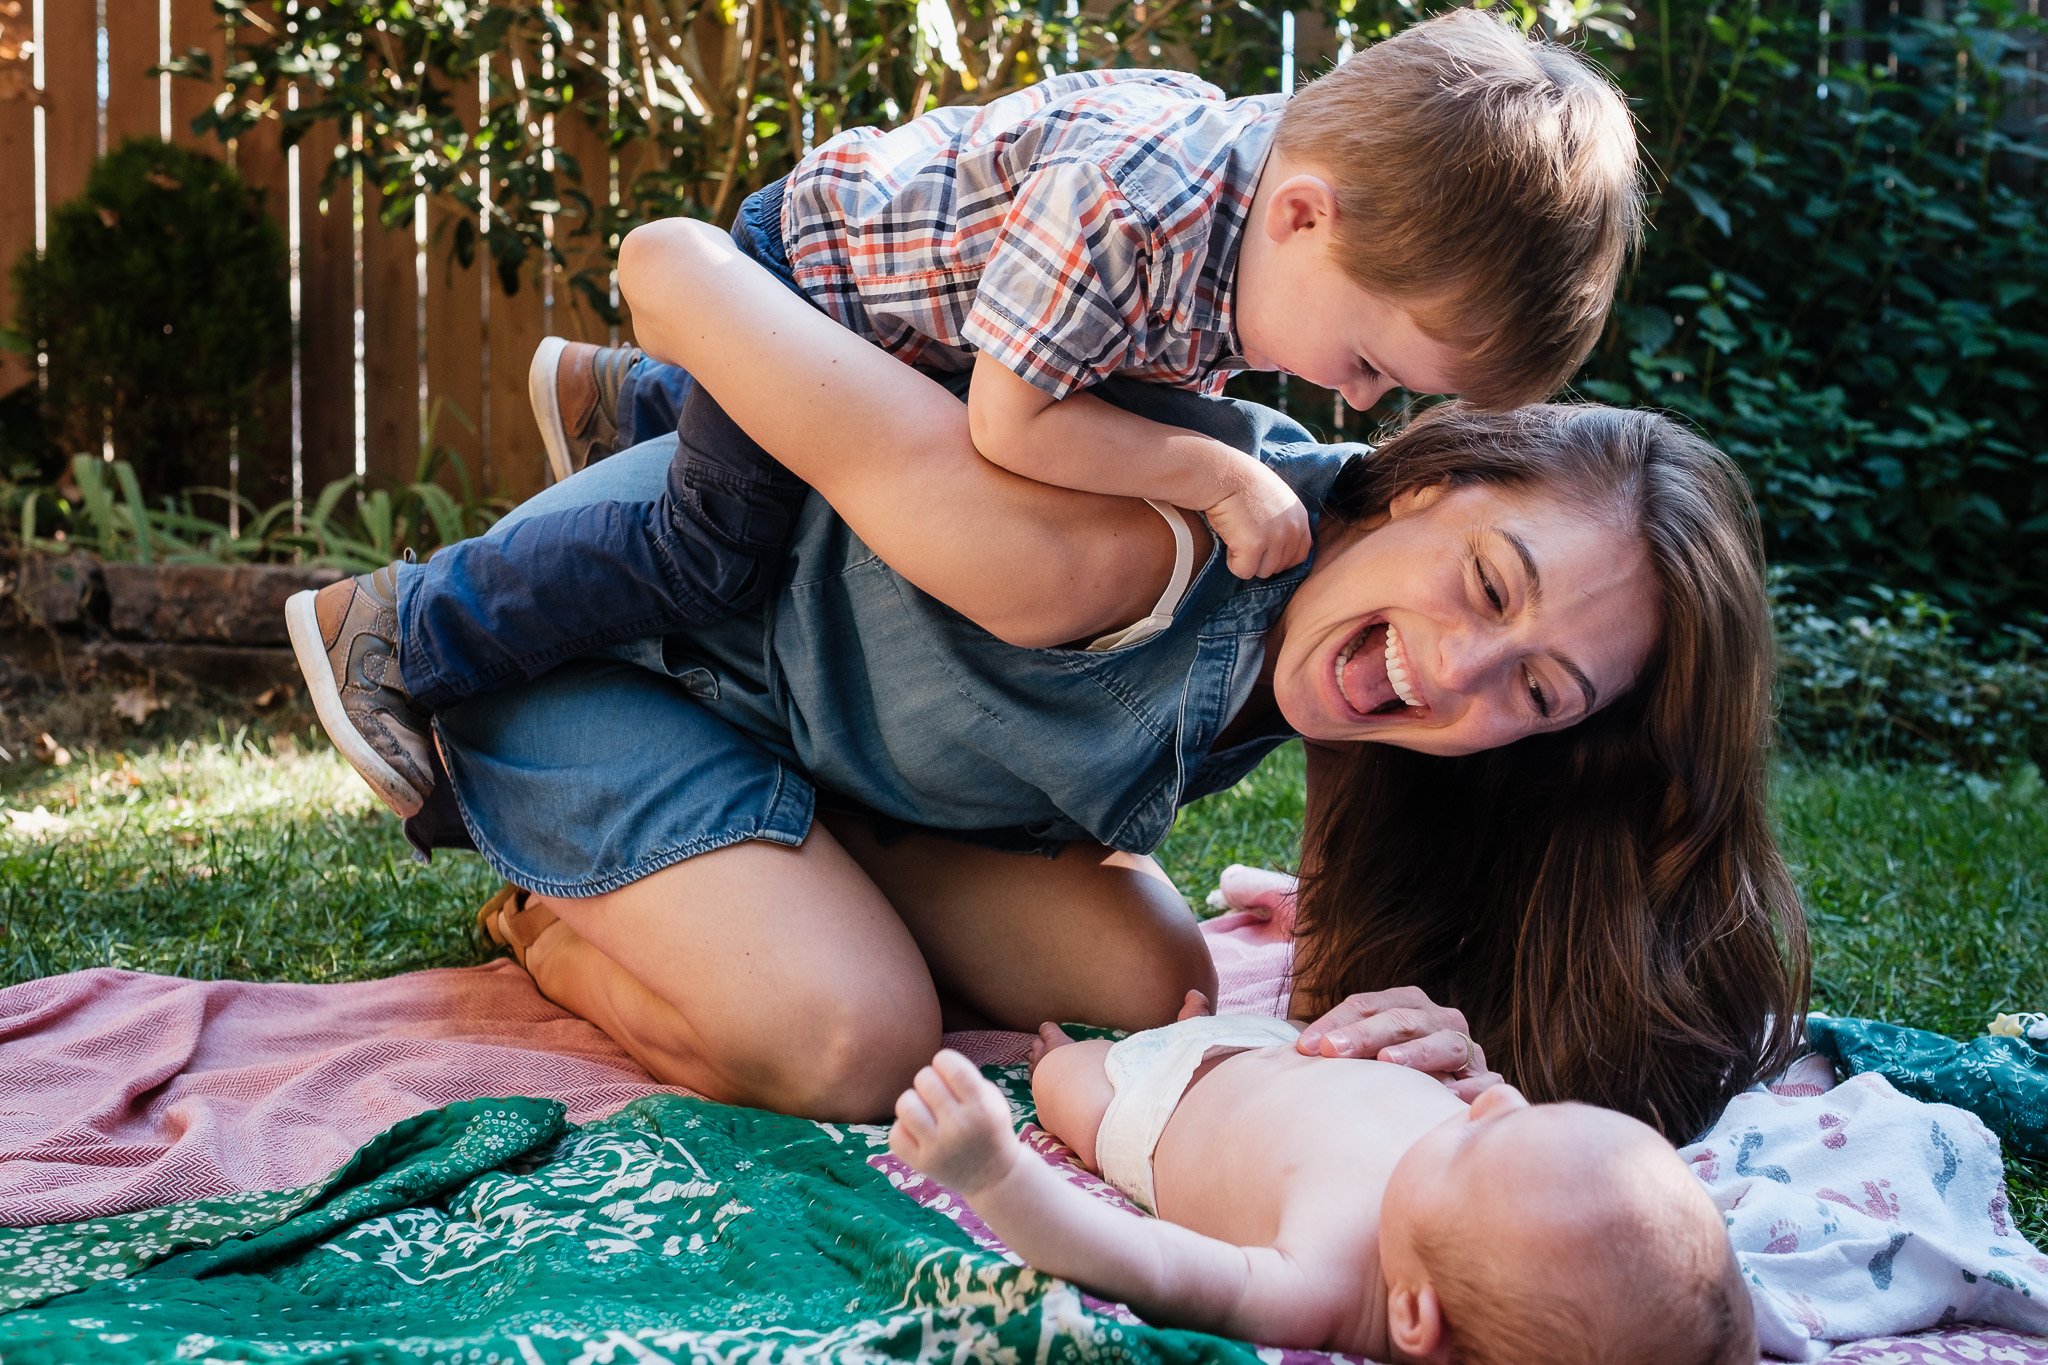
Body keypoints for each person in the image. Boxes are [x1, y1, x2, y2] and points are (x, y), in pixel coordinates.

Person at [305, 215, 1806, 1144]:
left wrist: (1453, 1052)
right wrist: (675, 335)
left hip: (823, 733)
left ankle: (773, 879)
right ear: (1431, 480)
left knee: (1155, 983)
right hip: (606, 661)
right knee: (852, 1040)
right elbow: (733, 307)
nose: (1465, 668)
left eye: (1539, 693)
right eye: (1491, 584)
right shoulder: (1141, 530)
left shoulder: (1306, 645)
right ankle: (550, 909)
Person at [287, 8, 1642, 820]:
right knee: (709, 549)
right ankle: (407, 630)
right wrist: (1214, 480)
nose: (1355, 401)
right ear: (1305, 218)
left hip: (910, 324)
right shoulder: (1145, 214)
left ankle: (641, 404)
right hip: (806, 287)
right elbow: (1012, 428)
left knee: (751, 491)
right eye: (1363, 358)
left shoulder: (1264, 220)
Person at [885, 1003, 1757, 1363]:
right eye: (1529, 1109)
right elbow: (1694, 1301)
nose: (1490, 1108)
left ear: (1416, 1316)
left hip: (1154, 1097)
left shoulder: (1324, 1278)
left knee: (1065, 1083)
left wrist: (994, 1172)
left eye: (1477, 1144)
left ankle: (1060, 1056)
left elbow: (1141, 1260)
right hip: (1285, 1040)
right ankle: (1198, 1017)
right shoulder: (1496, 1200)